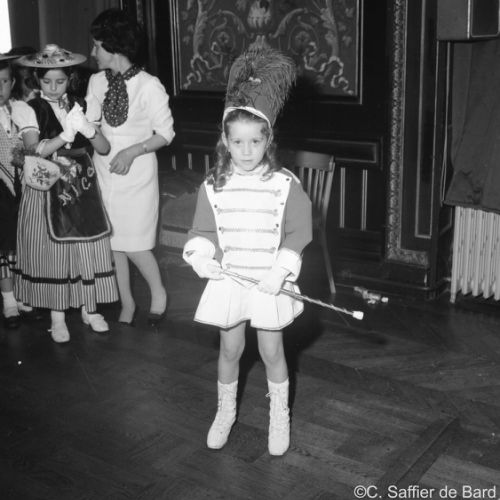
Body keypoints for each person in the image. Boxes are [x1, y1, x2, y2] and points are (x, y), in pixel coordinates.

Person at [183, 45, 312, 456]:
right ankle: (225, 412)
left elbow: (299, 232)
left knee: (272, 351)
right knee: (230, 348)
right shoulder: (213, 185)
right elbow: (203, 230)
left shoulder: (285, 184)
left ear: (268, 139)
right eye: (237, 141)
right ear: (225, 140)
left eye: (255, 141)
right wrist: (202, 257)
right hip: (232, 280)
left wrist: (280, 271)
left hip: (269, 281)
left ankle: (279, 415)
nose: (246, 150)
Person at [14, 44, 118, 343]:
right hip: (48, 183)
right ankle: (57, 318)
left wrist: (87, 128)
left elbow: (104, 149)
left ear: (69, 79)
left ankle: (90, 308)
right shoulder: (29, 108)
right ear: (37, 79)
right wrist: (65, 135)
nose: (53, 87)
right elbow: (34, 150)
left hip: (81, 183)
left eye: (60, 81)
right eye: (47, 81)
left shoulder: (81, 104)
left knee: (86, 246)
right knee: (55, 252)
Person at [86, 8, 175, 326]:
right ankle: (127, 303)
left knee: (136, 245)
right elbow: (93, 127)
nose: (92, 52)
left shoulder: (149, 85)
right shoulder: (96, 81)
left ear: (114, 47)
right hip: (104, 171)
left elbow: (165, 133)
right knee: (114, 246)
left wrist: (132, 151)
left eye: (97, 46)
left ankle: (159, 295)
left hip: (137, 173)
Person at [0, 53, 39, 329]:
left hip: (21, 186)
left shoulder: (20, 110)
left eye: (3, 81)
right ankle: (8, 300)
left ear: (12, 83)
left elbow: (30, 145)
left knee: (21, 242)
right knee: (3, 245)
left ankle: (23, 294)